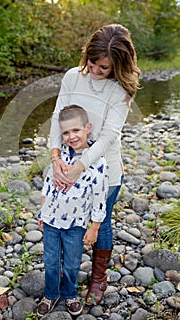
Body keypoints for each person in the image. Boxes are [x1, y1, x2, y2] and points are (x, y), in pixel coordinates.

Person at [49, 24, 141, 305]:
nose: (97, 71)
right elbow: (57, 117)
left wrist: (82, 166)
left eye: (105, 67)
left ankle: (99, 277)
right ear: (86, 54)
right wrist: (55, 159)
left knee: (100, 222)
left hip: (106, 172)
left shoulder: (121, 89)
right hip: (65, 166)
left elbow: (109, 137)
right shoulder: (72, 77)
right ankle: (65, 273)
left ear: (119, 65)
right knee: (67, 221)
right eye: (93, 63)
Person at [37, 105, 109, 317]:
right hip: (51, 221)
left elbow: (99, 198)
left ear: (87, 128)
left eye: (76, 130)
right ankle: (50, 293)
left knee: (71, 262)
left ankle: (69, 293)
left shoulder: (97, 163)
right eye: (66, 133)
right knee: (50, 260)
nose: (71, 136)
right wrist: (42, 213)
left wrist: (94, 227)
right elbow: (47, 186)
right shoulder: (59, 158)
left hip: (75, 225)